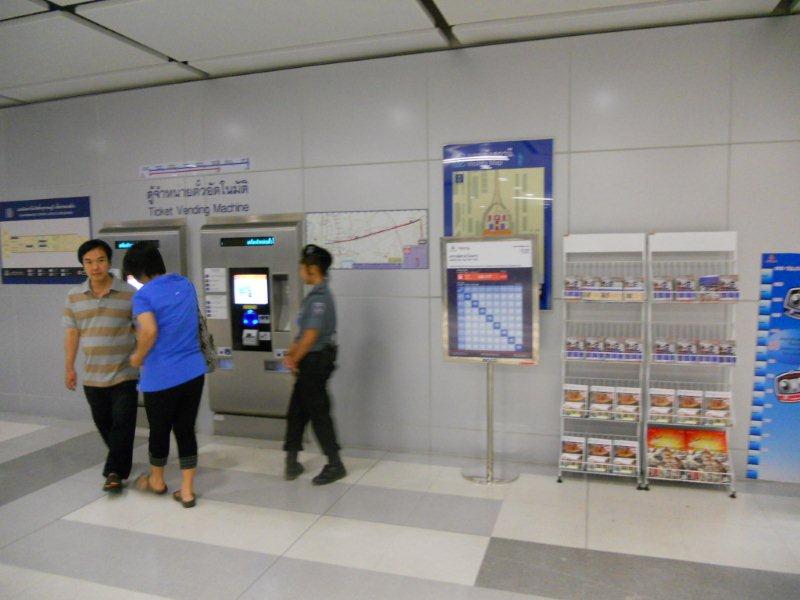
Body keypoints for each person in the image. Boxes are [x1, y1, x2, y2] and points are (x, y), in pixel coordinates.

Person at [124, 242, 206, 508]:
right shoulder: (185, 283)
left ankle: (157, 481)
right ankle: (187, 491)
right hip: (193, 371)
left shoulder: (143, 296)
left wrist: (136, 357)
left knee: (159, 430)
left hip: (161, 375)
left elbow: (148, 332)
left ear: (137, 271)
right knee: (185, 430)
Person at [63, 239, 138, 493]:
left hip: (124, 372)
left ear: (109, 262)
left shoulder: (129, 293)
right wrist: (69, 367)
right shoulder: (74, 296)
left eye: (100, 261)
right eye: (89, 262)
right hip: (93, 376)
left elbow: (142, 329)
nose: (95, 267)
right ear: (82, 265)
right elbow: (72, 334)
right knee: (105, 425)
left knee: (123, 423)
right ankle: (121, 460)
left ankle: (114, 472)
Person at [283, 244, 346, 485]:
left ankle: (335, 463)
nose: (300, 271)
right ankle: (291, 461)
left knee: (318, 412)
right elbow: (302, 335)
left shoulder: (321, 299)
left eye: (302, 267)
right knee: (297, 411)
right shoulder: (314, 296)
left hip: (316, 362)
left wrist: (294, 358)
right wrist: (292, 352)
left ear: (312, 269)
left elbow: (310, 336)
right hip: (309, 360)